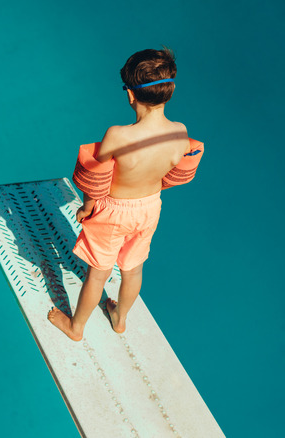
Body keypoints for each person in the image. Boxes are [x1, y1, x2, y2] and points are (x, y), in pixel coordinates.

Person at [47, 48, 204, 341]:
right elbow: (171, 171)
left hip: (114, 212)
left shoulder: (118, 136)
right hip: (149, 208)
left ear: (131, 95)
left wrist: (88, 206)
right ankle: (119, 319)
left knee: (98, 273)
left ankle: (76, 327)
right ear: (168, 92)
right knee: (132, 269)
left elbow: (96, 176)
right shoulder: (180, 133)